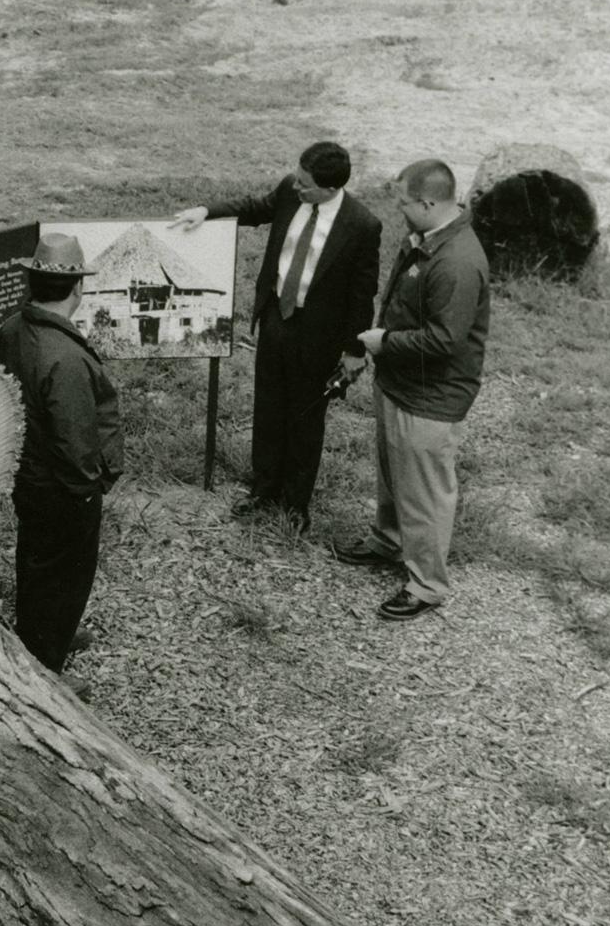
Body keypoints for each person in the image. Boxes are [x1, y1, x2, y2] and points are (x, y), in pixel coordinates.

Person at [171, 141, 381, 531]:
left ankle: (296, 503)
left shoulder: (362, 226)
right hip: (276, 320)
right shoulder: (290, 190)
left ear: (331, 189)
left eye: (306, 185)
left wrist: (354, 349)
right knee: (268, 408)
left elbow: (361, 294)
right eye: (297, 180)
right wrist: (207, 211)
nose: (296, 189)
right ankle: (263, 489)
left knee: (305, 418)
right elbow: (254, 208)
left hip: (318, 336)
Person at [334, 158, 490, 620]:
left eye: (403, 201)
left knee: (424, 491)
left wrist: (383, 342)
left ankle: (426, 584)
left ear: (427, 202)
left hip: (431, 395)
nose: (397, 208)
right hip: (400, 380)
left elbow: (444, 341)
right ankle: (389, 540)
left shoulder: (457, 262)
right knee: (392, 471)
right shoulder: (424, 238)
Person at [0, 231, 124, 672]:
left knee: (37, 562)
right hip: (63, 488)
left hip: (28, 476)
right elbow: (75, 440)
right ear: (77, 289)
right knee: (67, 575)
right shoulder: (65, 358)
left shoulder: (12, 329)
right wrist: (89, 487)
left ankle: (47, 633)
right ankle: (44, 668)